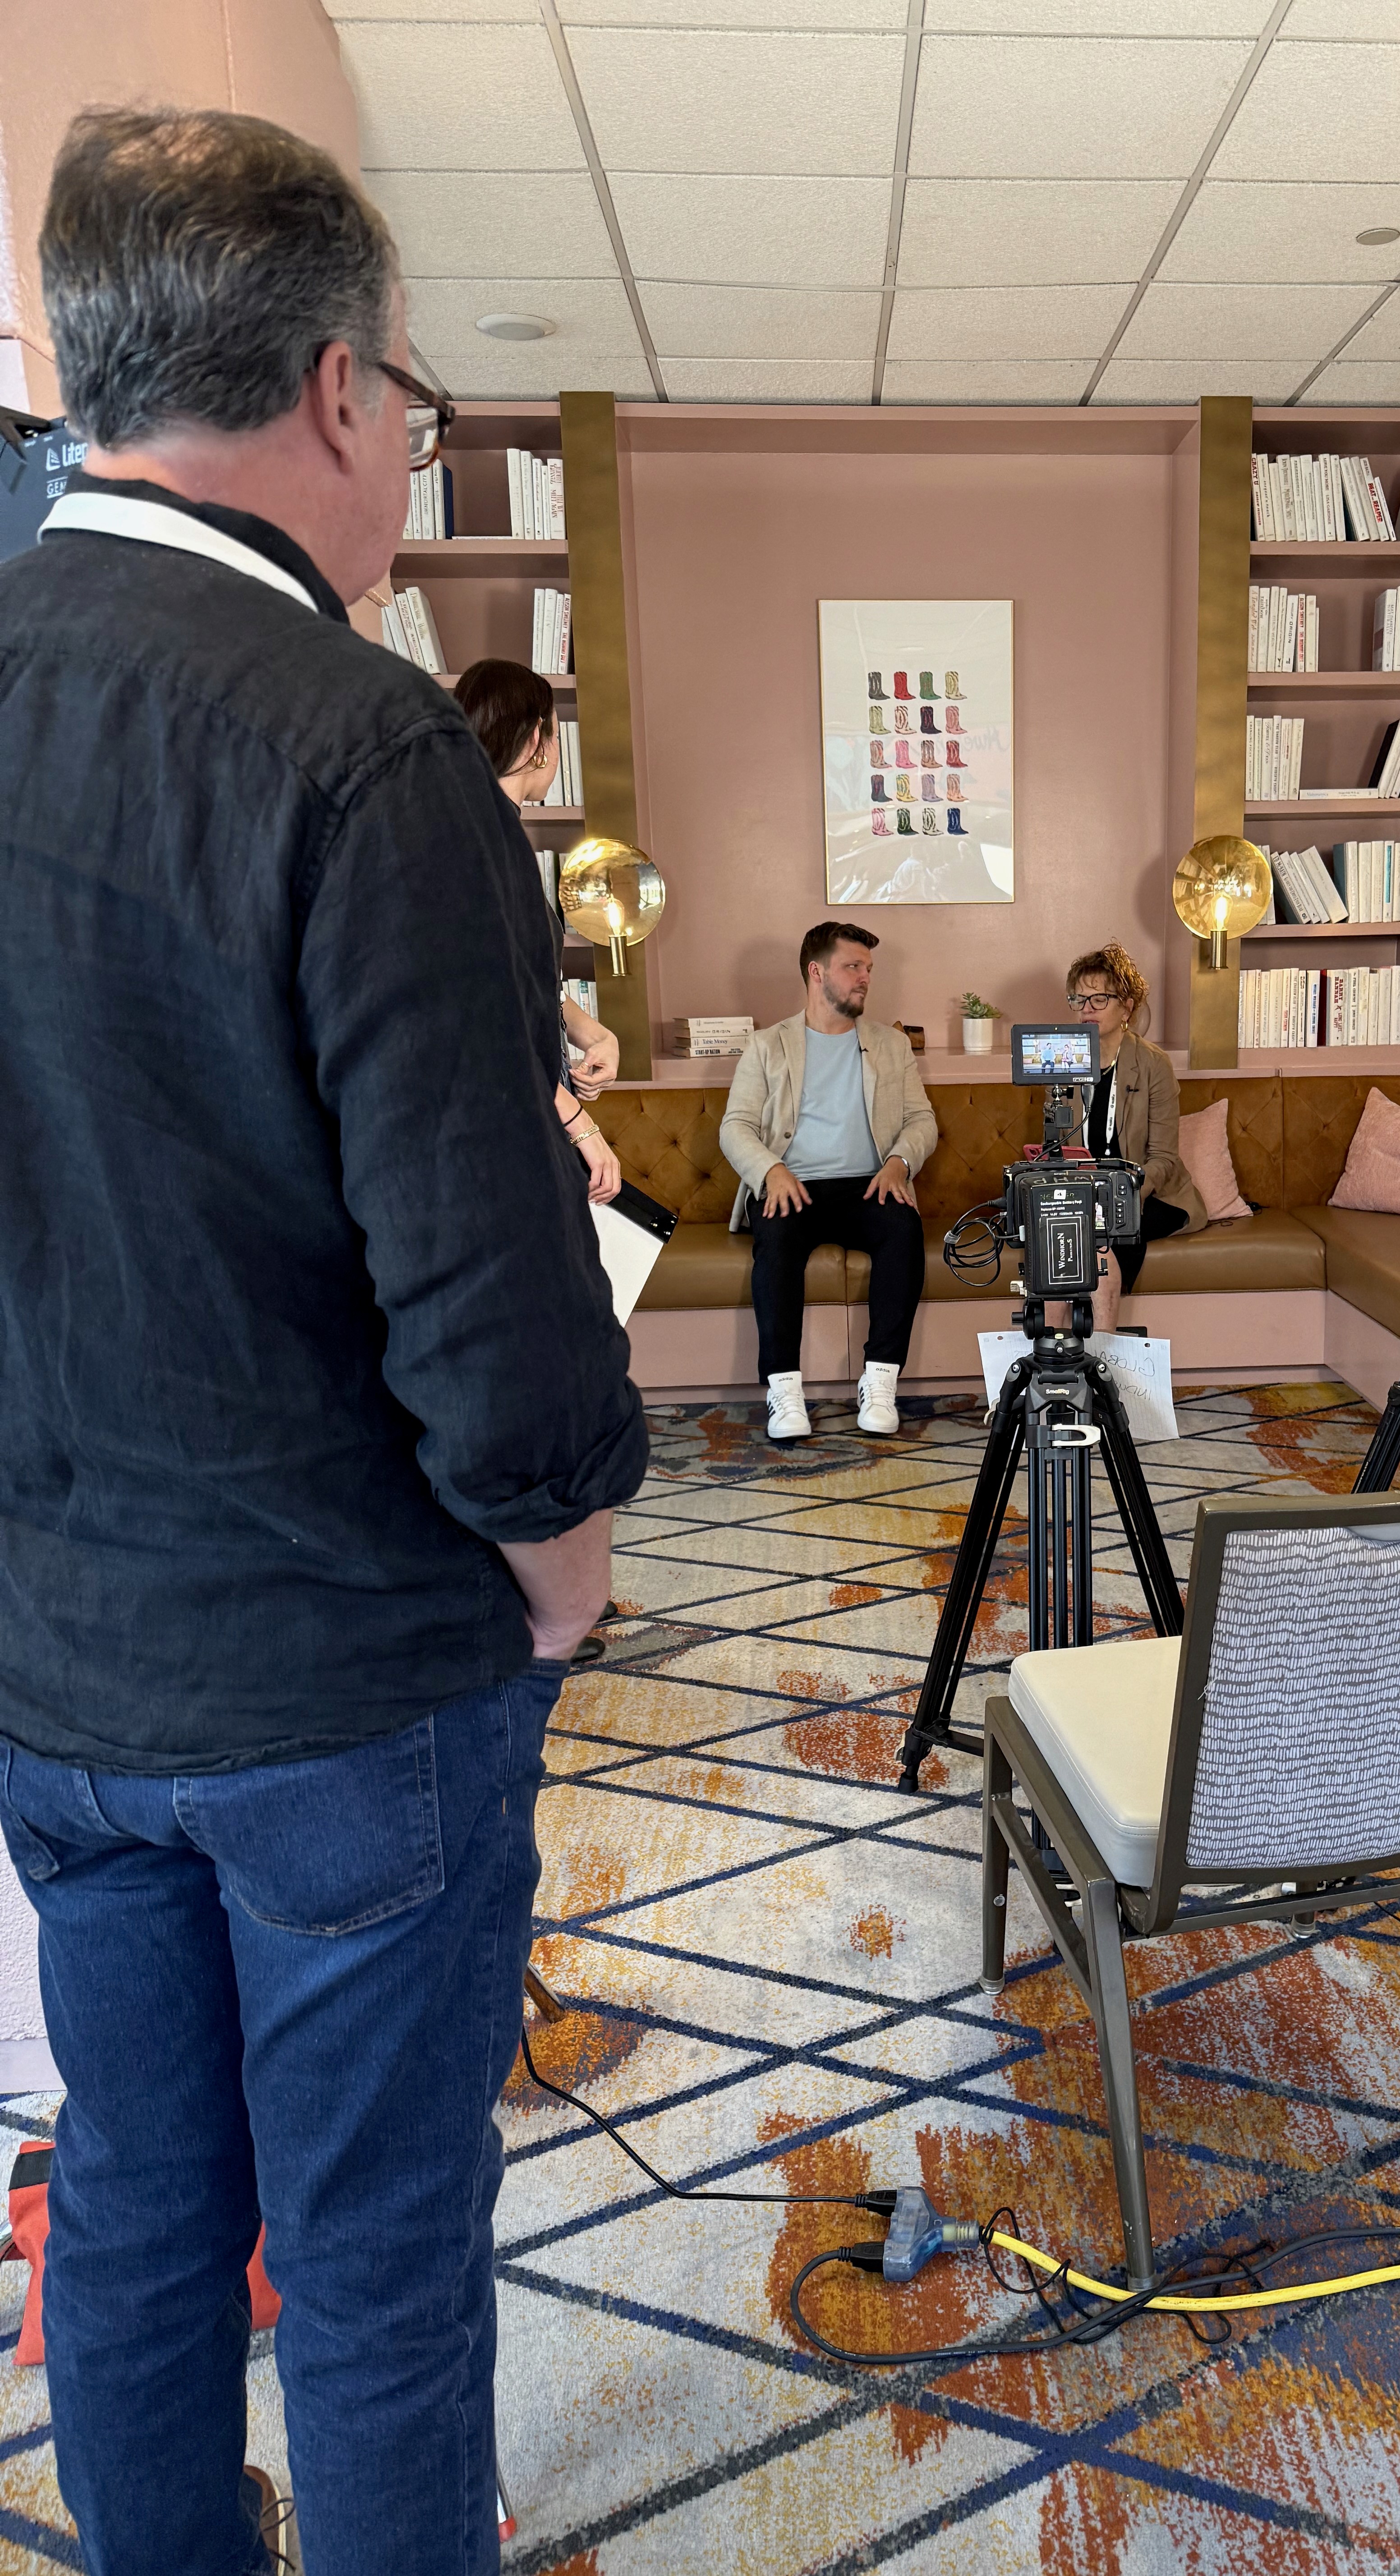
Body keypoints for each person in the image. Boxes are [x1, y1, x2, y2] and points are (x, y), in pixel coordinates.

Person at [0, 107, 648, 2573]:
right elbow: (489, 1294)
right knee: (373, 2253)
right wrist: (565, 1568)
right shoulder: (365, 750)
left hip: (55, 1660)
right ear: (347, 393)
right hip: (349, 1676)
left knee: (137, 2188)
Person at [721, 921, 936, 1442]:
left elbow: (921, 1120)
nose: (865, 978)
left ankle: (880, 1381)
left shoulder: (891, 1045)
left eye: (869, 969)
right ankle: (784, 1390)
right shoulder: (767, 1045)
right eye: (853, 967)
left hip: (869, 1184)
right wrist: (771, 1171)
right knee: (775, 1237)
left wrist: (899, 1163)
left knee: (903, 1229)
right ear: (817, 972)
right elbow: (735, 1127)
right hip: (792, 1184)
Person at [453, 657, 622, 1203]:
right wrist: (579, 1124)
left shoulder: (482, 832)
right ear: (537, 743)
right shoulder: (486, 845)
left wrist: (592, 1034)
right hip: (507, 1128)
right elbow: (484, 1015)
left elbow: (519, 982)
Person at [1050, 943, 1207, 1334]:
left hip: (1151, 1194)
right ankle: (1050, 1352)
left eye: (1099, 999)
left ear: (1127, 1007)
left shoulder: (1153, 1064)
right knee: (1059, 1237)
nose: (1086, 1009)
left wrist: (1121, 1196)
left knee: (1104, 1232)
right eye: (1079, 1000)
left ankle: (1101, 1351)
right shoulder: (1064, 1059)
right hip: (1085, 1193)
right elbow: (1055, 1147)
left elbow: (1164, 1159)